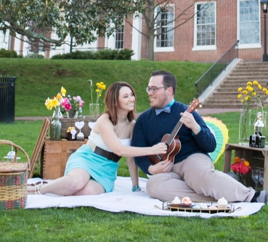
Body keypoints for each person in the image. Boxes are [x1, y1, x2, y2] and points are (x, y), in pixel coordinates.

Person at [131, 70, 268, 203]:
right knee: (154, 186)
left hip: (191, 160)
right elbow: (138, 153)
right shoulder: (143, 120)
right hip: (166, 169)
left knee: (200, 177)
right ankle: (219, 191)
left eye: (154, 88)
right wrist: (150, 169)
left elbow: (210, 145)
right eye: (148, 89)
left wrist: (195, 127)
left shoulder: (187, 112)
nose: (150, 93)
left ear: (169, 90)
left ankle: (250, 195)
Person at [29, 82, 168, 196]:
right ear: (115, 101)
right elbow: (118, 149)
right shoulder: (104, 120)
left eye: (132, 95)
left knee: (86, 192)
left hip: (107, 169)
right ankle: (38, 189)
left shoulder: (133, 125)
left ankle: (60, 187)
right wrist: (151, 150)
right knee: (76, 183)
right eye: (125, 96)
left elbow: (131, 158)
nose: (131, 99)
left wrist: (135, 185)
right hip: (87, 158)